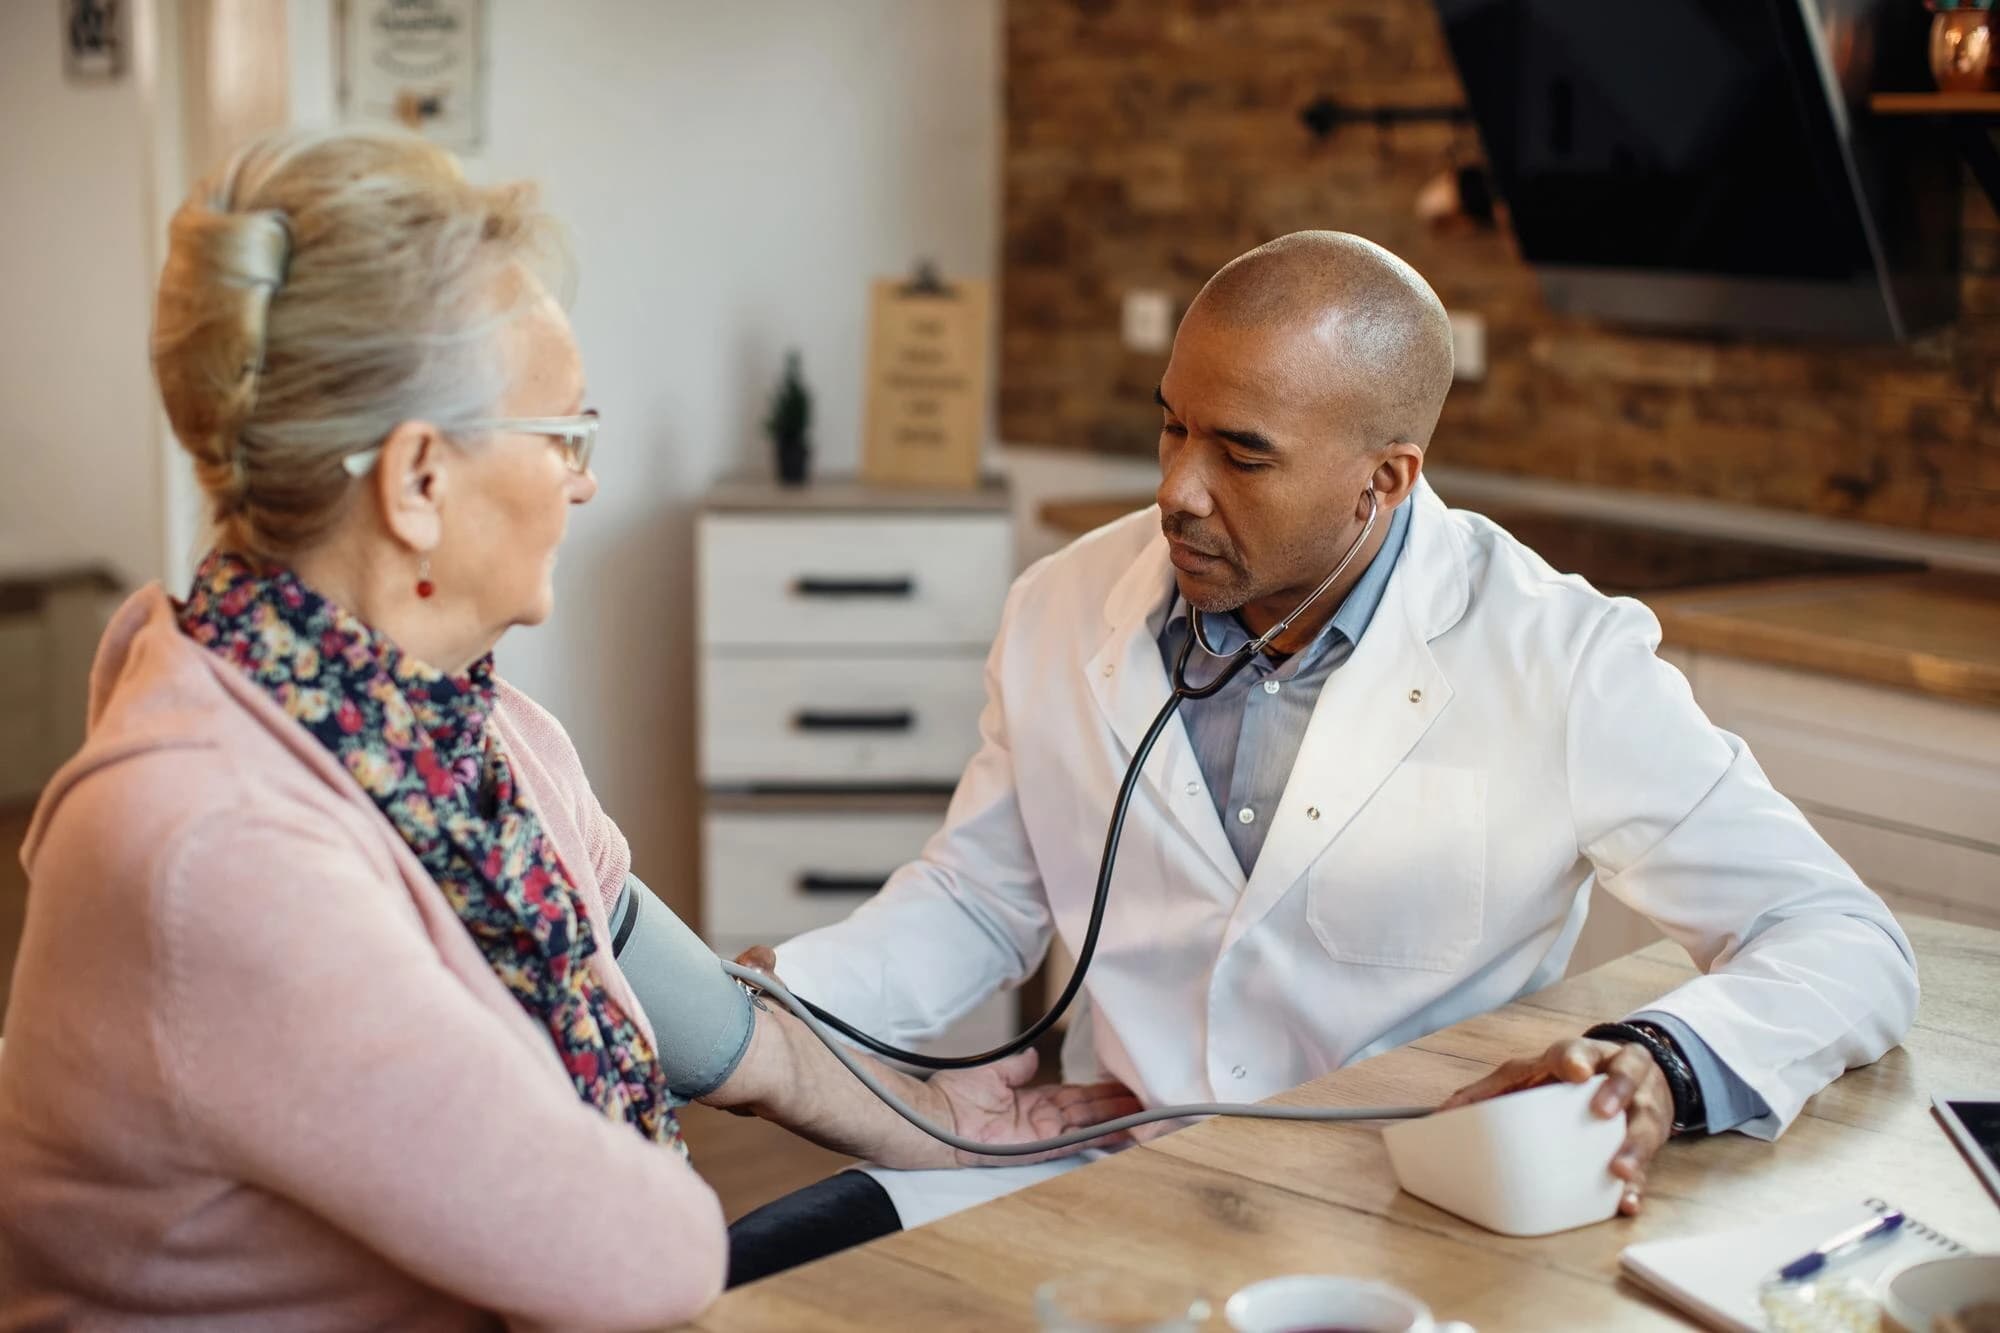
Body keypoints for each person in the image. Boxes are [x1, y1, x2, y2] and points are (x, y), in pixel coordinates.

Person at [0, 131, 1130, 1329]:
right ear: (419, 481)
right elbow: (641, 1256)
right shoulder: (219, 850)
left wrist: (927, 1117)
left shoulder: (463, 735)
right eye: (565, 438)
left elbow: (702, 1013)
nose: (585, 484)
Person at [738, 230, 1919, 1245]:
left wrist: (1658, 1060)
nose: (1177, 492)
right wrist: (758, 1013)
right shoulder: (1063, 601)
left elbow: (1837, 935)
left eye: (1240, 453)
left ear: (1384, 480)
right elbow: (980, 899)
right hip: (1103, 1168)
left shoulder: (1556, 656)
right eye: (1170, 428)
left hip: (1408, 1219)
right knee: (741, 1275)